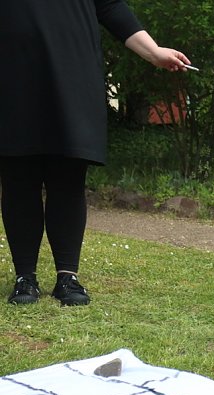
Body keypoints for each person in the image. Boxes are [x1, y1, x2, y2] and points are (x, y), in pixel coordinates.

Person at [0, 1, 192, 306]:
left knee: (69, 175)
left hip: (73, 76)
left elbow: (110, 6)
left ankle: (68, 278)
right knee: (18, 176)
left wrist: (153, 52)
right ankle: (25, 278)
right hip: (12, 76)